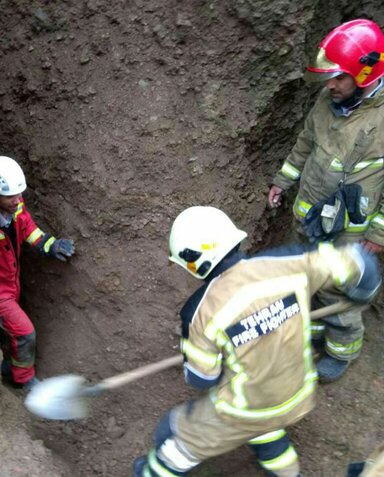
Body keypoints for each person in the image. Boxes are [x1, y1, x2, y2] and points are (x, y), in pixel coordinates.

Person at [133, 206, 380, 477]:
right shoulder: (288, 263)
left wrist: (208, 350)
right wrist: (363, 290)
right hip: (299, 392)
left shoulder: (198, 314)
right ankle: (288, 473)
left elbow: (201, 379)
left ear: (192, 262)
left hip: (246, 409)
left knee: (177, 438)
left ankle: (153, 472)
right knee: (266, 425)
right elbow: (356, 263)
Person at [267, 19, 384, 382]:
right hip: (310, 217)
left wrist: (379, 234)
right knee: (303, 276)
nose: (330, 85)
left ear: (365, 75)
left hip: (349, 232)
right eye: (328, 77)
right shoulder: (327, 100)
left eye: (339, 77)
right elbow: (305, 143)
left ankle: (341, 350)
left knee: (338, 293)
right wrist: (281, 182)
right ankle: (312, 329)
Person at [0, 156, 75, 391]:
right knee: (25, 332)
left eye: (20, 194)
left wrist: (51, 245)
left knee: (16, 333)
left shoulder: (14, 205)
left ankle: (9, 366)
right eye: (11, 196)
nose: (19, 200)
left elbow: (28, 228)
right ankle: (23, 378)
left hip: (12, 283)